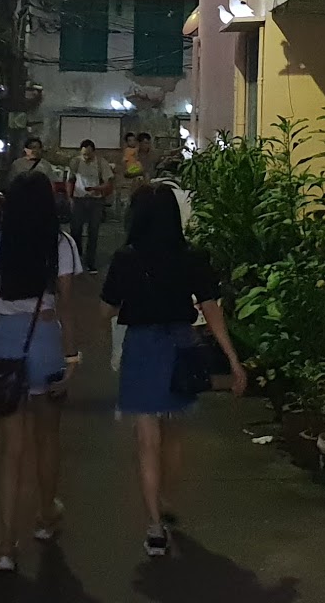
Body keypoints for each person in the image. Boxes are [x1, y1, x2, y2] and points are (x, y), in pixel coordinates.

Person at [100, 183, 247, 558]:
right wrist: (232, 360)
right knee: (175, 435)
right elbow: (212, 309)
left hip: (143, 349)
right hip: (182, 345)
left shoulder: (126, 258)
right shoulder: (192, 256)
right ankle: (165, 499)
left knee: (147, 441)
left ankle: (153, 527)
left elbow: (107, 308)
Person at [0, 171, 84, 573]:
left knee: (11, 448)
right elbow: (68, 308)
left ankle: (5, 544)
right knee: (48, 438)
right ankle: (45, 517)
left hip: (5, 342)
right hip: (45, 342)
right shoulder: (62, 245)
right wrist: (71, 358)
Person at [68, 139, 114, 271]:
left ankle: (90, 261)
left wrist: (98, 188)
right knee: (75, 229)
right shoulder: (75, 162)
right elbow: (70, 180)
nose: (86, 157)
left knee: (93, 231)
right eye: (84, 154)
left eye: (88, 154)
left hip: (96, 200)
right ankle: (76, 257)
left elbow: (108, 182)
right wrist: (69, 197)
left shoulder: (101, 163)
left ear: (94, 152)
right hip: (79, 199)